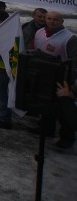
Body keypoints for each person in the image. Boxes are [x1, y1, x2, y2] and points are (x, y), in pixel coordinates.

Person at [32, 10, 77, 148]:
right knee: (45, 104)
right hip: (44, 76)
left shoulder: (70, 38)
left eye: (55, 20)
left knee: (64, 110)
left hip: (62, 80)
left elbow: (74, 63)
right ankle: (47, 128)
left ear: (62, 22)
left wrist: (72, 85)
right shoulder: (39, 33)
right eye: (49, 19)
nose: (52, 21)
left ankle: (67, 137)